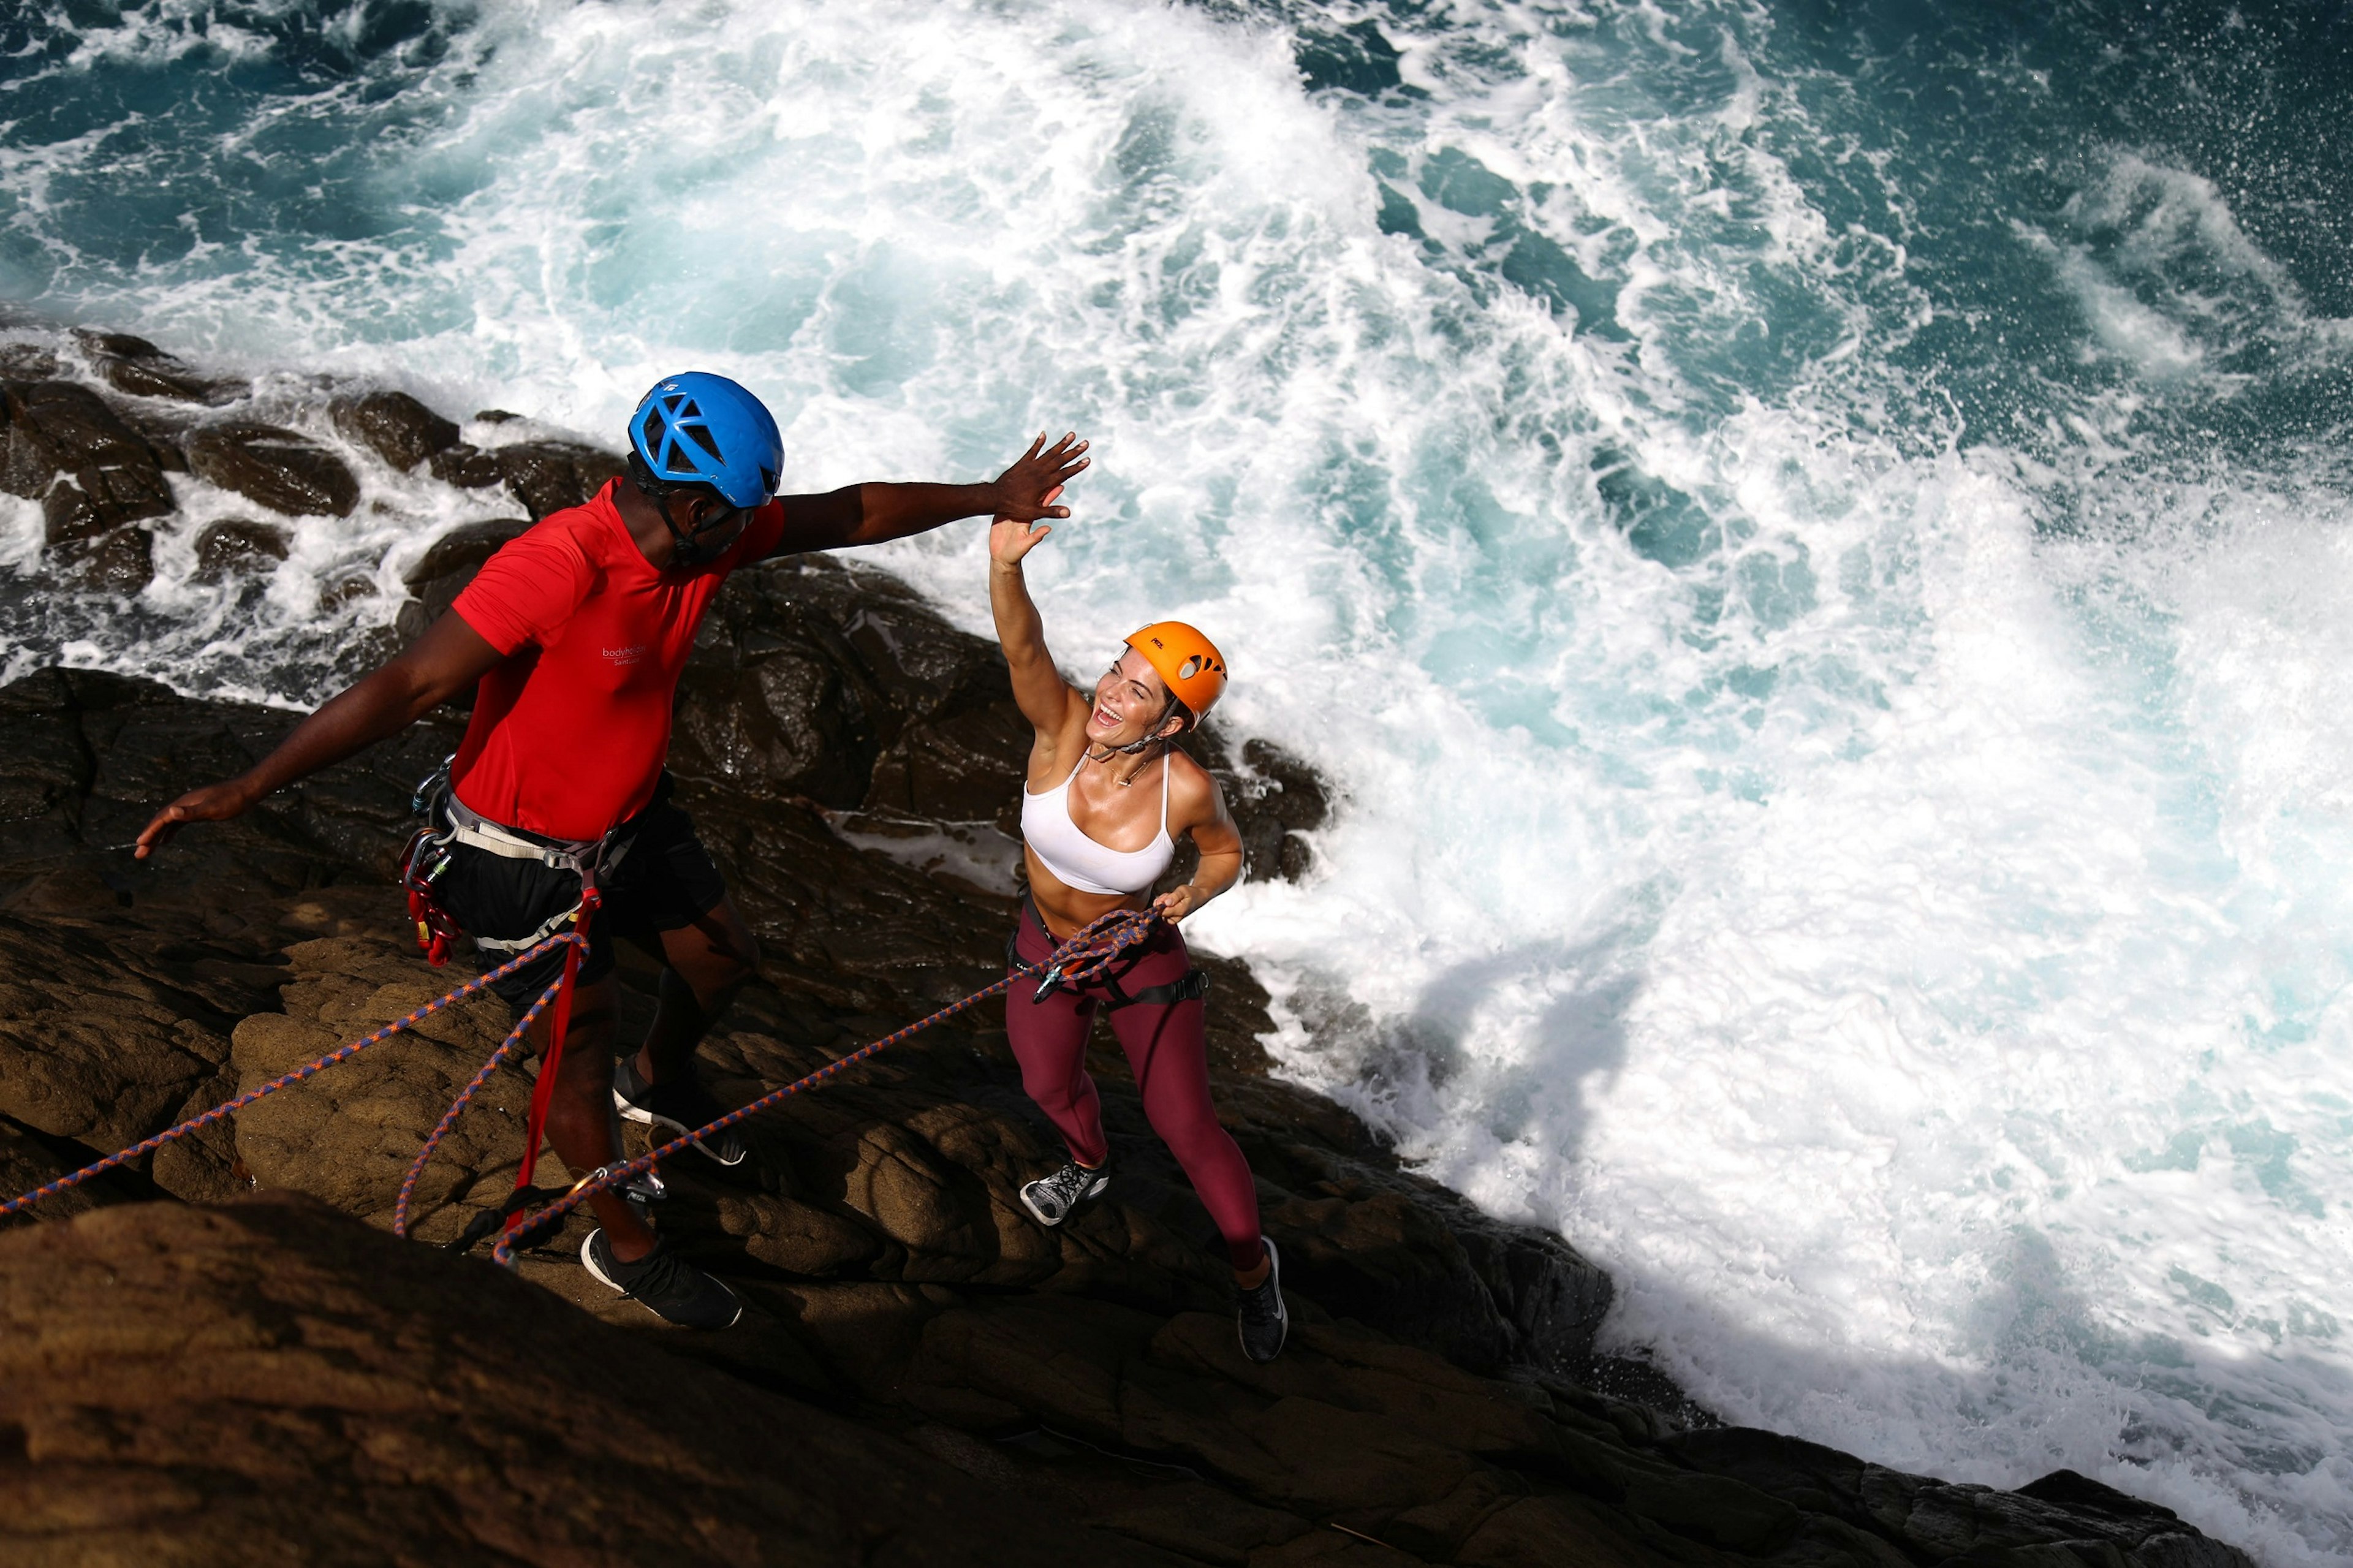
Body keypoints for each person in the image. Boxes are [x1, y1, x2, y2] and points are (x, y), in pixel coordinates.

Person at [136, 372, 1090, 1330]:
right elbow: (412, 684)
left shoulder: (704, 534)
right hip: (516, 863)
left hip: (630, 823)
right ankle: (624, 1243)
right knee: (575, 1054)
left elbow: (848, 512)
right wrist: (251, 786)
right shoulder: (560, 566)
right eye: (735, 515)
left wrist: (988, 497)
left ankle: (662, 1080)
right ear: (685, 496)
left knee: (723, 959)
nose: (751, 533)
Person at [986, 505, 1286, 1363]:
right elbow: (1023, 648)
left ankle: (1251, 1269)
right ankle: (1088, 1163)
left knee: (1184, 1124)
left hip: (1139, 963)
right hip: (1046, 947)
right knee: (1047, 1086)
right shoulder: (1060, 732)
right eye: (1117, 674)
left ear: (1173, 722)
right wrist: (1007, 567)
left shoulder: (1186, 789)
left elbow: (1228, 854)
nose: (1112, 697)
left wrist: (1190, 894)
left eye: (1138, 692)